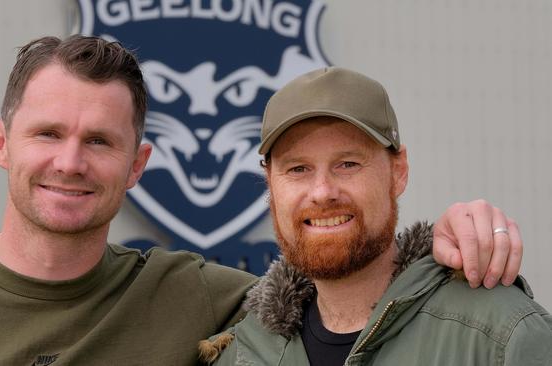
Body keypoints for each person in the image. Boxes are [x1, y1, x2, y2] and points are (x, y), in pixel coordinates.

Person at [0, 36, 525, 365]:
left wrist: (449, 235)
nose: (70, 161)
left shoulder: (192, 296)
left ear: (137, 165)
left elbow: (343, 275)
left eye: (99, 140)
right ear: (0, 142)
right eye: (48, 134)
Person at [199, 67, 552, 365]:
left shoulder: (501, 335)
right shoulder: (242, 354)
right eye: (298, 168)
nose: (322, 192)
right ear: (270, 186)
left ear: (398, 172)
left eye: (348, 164)